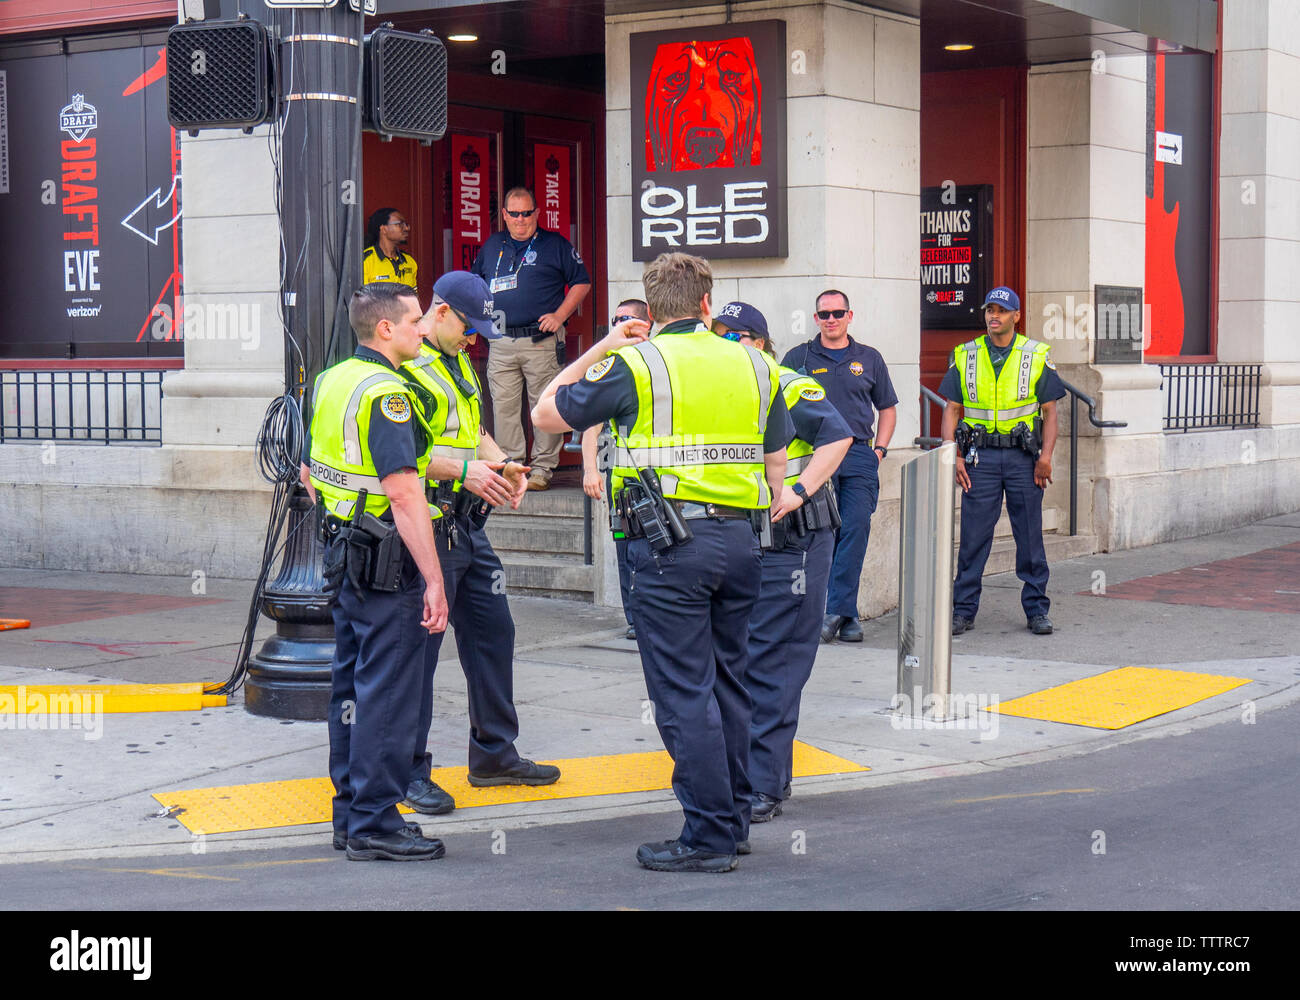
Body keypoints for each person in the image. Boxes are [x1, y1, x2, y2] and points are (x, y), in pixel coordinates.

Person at [532, 252, 794, 873]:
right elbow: (778, 462)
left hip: (669, 548)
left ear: (650, 311)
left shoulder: (638, 362)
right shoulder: (756, 362)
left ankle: (706, 838)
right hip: (742, 542)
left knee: (683, 693)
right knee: (730, 681)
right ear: (707, 303)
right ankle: (731, 820)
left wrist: (601, 345)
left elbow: (546, 411)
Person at [401, 271, 561, 815]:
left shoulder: (455, 362)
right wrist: (466, 469)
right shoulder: (404, 364)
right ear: (439, 311)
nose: (474, 339)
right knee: (417, 654)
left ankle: (494, 755)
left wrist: (500, 464)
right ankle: (406, 770)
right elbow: (398, 457)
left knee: (494, 634)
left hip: (467, 523)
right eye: (467, 328)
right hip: (429, 520)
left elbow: (472, 430)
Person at [302, 281, 448, 861]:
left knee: (352, 689)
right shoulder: (388, 393)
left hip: (346, 556)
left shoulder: (333, 380)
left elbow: (313, 472)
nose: (422, 329)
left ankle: (350, 815)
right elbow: (405, 490)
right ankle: (375, 825)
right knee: (389, 694)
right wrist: (434, 578)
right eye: (414, 321)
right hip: (388, 563)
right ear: (385, 329)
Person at [712, 302, 852, 824]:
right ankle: (760, 775)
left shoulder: (787, 383)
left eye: (735, 336)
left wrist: (797, 489)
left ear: (760, 341)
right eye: (718, 334)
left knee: (774, 663)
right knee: (747, 659)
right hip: (752, 539)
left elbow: (838, 436)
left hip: (796, 539)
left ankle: (763, 786)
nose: (726, 344)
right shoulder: (730, 387)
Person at [941, 286, 1066, 636]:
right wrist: (954, 456)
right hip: (980, 458)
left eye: (1001, 310)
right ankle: (963, 611)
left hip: (1023, 460)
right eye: (989, 309)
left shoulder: (1035, 353)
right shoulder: (965, 354)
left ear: (1016, 316)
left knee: (1029, 537)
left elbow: (1051, 412)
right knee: (973, 539)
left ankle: (1037, 609)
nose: (993, 315)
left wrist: (1046, 458)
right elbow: (951, 410)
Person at [781, 290, 898, 644]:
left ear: (850, 315)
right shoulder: (798, 357)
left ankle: (836, 610)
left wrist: (879, 451)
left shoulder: (870, 358)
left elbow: (887, 408)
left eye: (838, 313)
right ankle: (841, 614)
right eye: (824, 314)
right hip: (814, 457)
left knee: (855, 529)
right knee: (820, 536)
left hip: (860, 455)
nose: (831, 319)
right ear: (816, 319)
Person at [473, 187, 592, 492]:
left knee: (544, 405)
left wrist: (560, 315)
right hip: (501, 340)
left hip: (541, 340)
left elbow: (582, 282)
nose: (521, 219)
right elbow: (475, 285)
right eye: (514, 213)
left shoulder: (554, 245)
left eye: (527, 213)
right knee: (504, 408)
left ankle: (542, 469)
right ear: (504, 215)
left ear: (537, 213)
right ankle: (513, 467)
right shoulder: (492, 246)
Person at [580, 298, 652, 641]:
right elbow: (591, 425)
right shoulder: (609, 365)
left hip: (662, 477)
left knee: (657, 547)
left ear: (646, 323)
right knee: (624, 549)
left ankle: (658, 615)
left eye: (626, 319)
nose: (618, 324)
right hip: (620, 482)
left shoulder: (660, 359)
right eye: (615, 319)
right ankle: (635, 618)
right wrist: (590, 470)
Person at [362, 207, 418, 288]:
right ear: (383, 229)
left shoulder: (409, 262)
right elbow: (361, 298)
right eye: (400, 224)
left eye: (406, 224)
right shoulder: (366, 261)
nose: (407, 228)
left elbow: (414, 298)